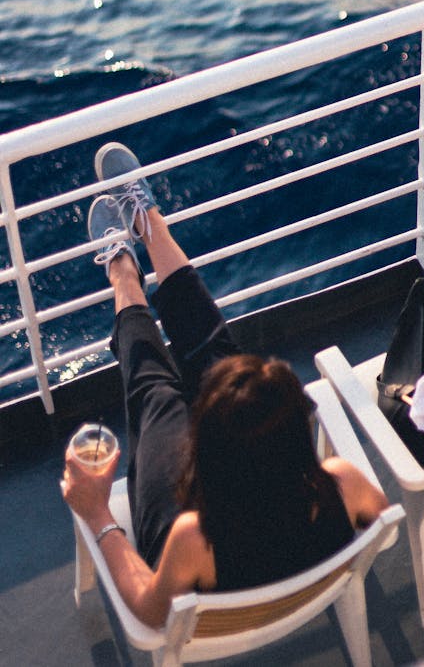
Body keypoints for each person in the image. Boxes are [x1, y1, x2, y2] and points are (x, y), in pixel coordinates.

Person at [61, 143, 388, 630]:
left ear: (204, 448)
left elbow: (149, 610)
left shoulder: (192, 539)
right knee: (216, 361)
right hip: (277, 533)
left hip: (193, 527)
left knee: (155, 395)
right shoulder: (344, 485)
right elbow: (377, 525)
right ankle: (151, 226)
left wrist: (96, 516)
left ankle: (123, 274)